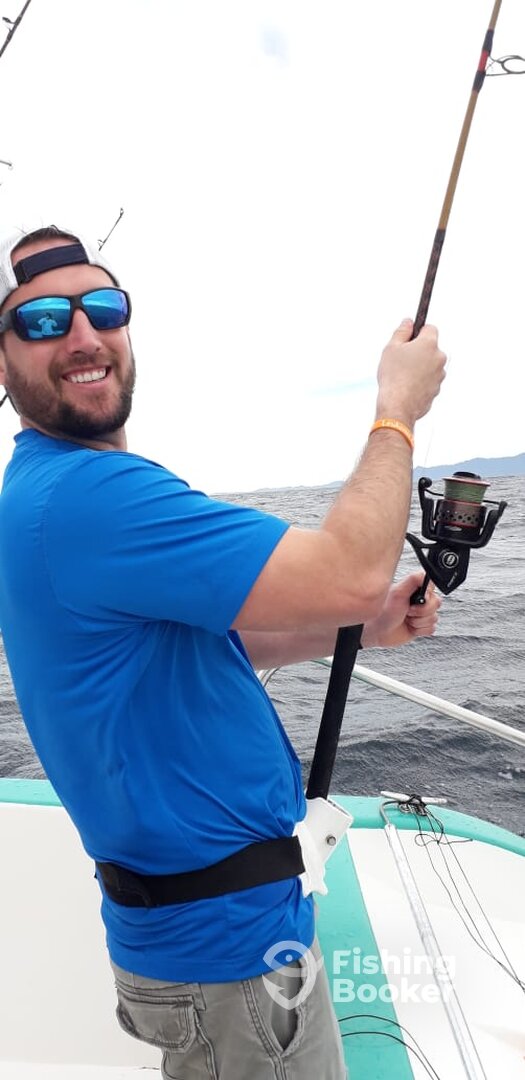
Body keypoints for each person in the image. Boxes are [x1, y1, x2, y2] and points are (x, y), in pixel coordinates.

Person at [0, 225, 446, 1080]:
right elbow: (351, 570)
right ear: (4, 359)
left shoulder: (56, 492)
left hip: (210, 933)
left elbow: (218, 637)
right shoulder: (90, 495)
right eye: (44, 319)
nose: (83, 334)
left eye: (103, 308)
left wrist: (363, 627)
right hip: (229, 957)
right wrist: (397, 410)